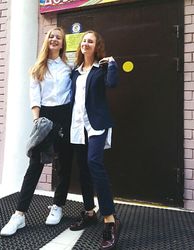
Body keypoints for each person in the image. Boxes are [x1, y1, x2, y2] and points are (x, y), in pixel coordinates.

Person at [0, 27, 73, 236]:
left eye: (58, 37)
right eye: (52, 36)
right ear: (47, 41)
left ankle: (58, 206)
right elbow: (35, 98)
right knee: (35, 166)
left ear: (62, 43)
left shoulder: (69, 68)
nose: (55, 39)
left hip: (65, 117)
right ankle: (19, 214)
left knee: (64, 165)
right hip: (45, 118)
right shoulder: (37, 68)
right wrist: (37, 121)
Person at [69, 30, 121, 250]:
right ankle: (89, 212)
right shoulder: (75, 73)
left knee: (94, 163)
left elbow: (112, 84)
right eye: (84, 41)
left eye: (90, 41)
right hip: (77, 125)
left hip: (97, 124)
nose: (86, 43)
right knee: (83, 168)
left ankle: (110, 219)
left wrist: (113, 65)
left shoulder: (102, 68)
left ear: (97, 45)